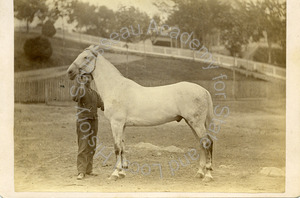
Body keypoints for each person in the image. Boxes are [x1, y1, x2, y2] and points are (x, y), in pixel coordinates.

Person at [71, 73, 104, 180]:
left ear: (92, 79)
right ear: (81, 79)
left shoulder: (95, 93)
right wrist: (78, 83)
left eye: (88, 77)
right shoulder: (81, 90)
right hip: (83, 121)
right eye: (84, 77)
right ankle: (81, 171)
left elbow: (102, 105)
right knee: (83, 145)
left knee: (92, 145)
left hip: (94, 121)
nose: (86, 79)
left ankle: (88, 170)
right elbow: (75, 97)